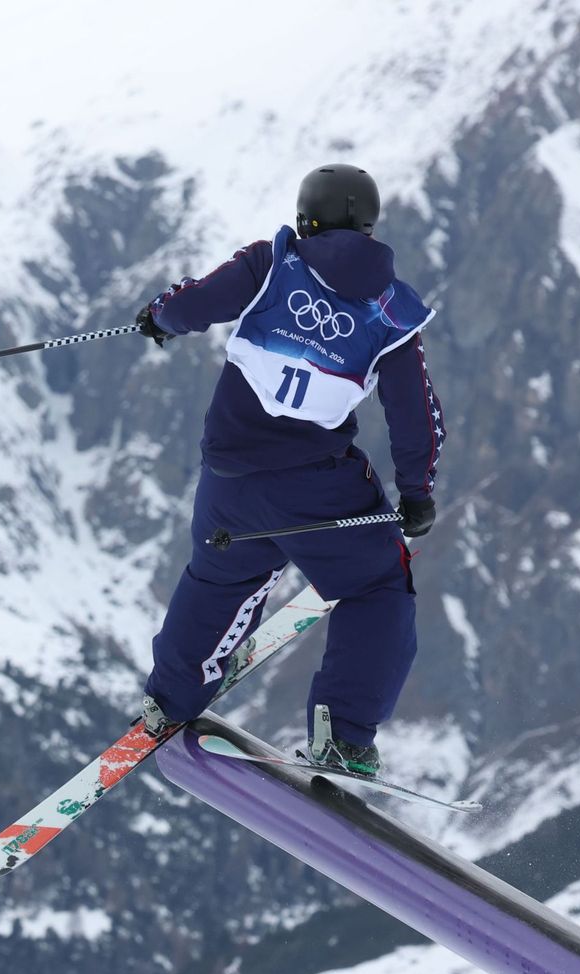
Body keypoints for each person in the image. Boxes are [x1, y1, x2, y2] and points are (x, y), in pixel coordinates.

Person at [134, 163, 444, 776]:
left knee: (218, 579)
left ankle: (171, 697)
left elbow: (194, 303)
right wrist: (417, 493)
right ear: (369, 226)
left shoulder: (271, 264)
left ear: (306, 219)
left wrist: (158, 317)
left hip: (229, 478)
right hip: (319, 490)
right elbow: (417, 415)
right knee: (377, 586)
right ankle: (343, 736)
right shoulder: (392, 313)